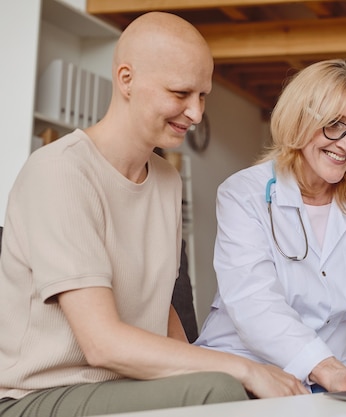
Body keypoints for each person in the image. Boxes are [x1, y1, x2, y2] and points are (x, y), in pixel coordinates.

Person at [0, 11, 307, 417]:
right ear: (126, 79)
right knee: (219, 388)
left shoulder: (166, 178)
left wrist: (239, 373)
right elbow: (101, 344)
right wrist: (243, 369)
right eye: (181, 93)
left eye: (203, 96)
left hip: (126, 387)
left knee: (231, 386)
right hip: (40, 396)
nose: (196, 113)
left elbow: (161, 308)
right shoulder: (59, 171)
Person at [194, 59, 346, 393]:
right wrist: (327, 370)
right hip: (245, 370)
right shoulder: (245, 194)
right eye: (335, 125)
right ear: (300, 120)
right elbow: (255, 302)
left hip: (334, 375)